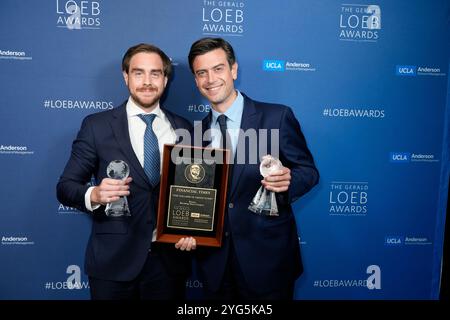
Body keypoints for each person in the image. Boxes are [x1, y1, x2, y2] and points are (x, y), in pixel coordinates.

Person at [56, 43, 195, 300]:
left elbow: (193, 190)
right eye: (138, 73)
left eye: (155, 73)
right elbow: (66, 187)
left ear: (165, 79)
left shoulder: (184, 127)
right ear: (125, 76)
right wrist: (95, 194)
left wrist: (193, 229)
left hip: (169, 265)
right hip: (113, 263)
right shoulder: (96, 126)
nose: (147, 82)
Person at [187, 37, 319, 299]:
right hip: (215, 264)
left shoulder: (276, 117)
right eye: (201, 73)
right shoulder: (194, 135)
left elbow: (309, 171)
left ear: (233, 70)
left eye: (218, 68)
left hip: (268, 261)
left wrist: (288, 182)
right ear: (196, 80)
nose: (210, 79)